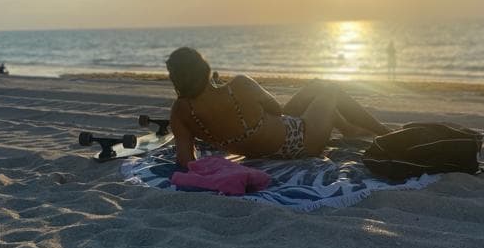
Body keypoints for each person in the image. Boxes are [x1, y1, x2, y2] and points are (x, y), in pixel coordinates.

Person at [165, 46, 389, 167]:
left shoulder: (181, 112)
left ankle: (348, 128)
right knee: (330, 89)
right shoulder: (238, 85)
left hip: (257, 150)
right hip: (301, 142)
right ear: (204, 69)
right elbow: (275, 109)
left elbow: (185, 161)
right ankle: (384, 132)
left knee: (315, 86)